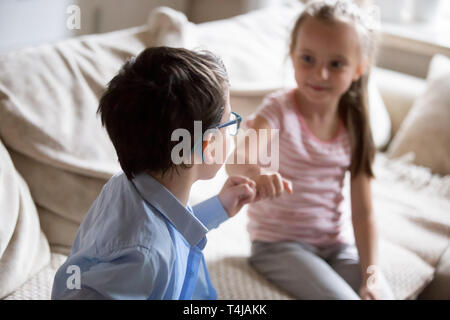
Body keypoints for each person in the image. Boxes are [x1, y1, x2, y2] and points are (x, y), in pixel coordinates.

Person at [51, 46, 262, 299]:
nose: (233, 133)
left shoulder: (127, 187)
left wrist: (219, 207)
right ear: (208, 146)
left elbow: (171, 227)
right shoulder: (144, 256)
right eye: (230, 122)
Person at [226, 0, 394, 300]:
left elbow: (363, 213)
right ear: (292, 57)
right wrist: (258, 173)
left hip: (336, 246)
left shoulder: (355, 124)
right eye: (308, 58)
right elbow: (238, 160)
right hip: (278, 246)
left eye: (336, 64)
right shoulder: (277, 110)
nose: (321, 74)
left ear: (358, 69)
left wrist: (371, 277)